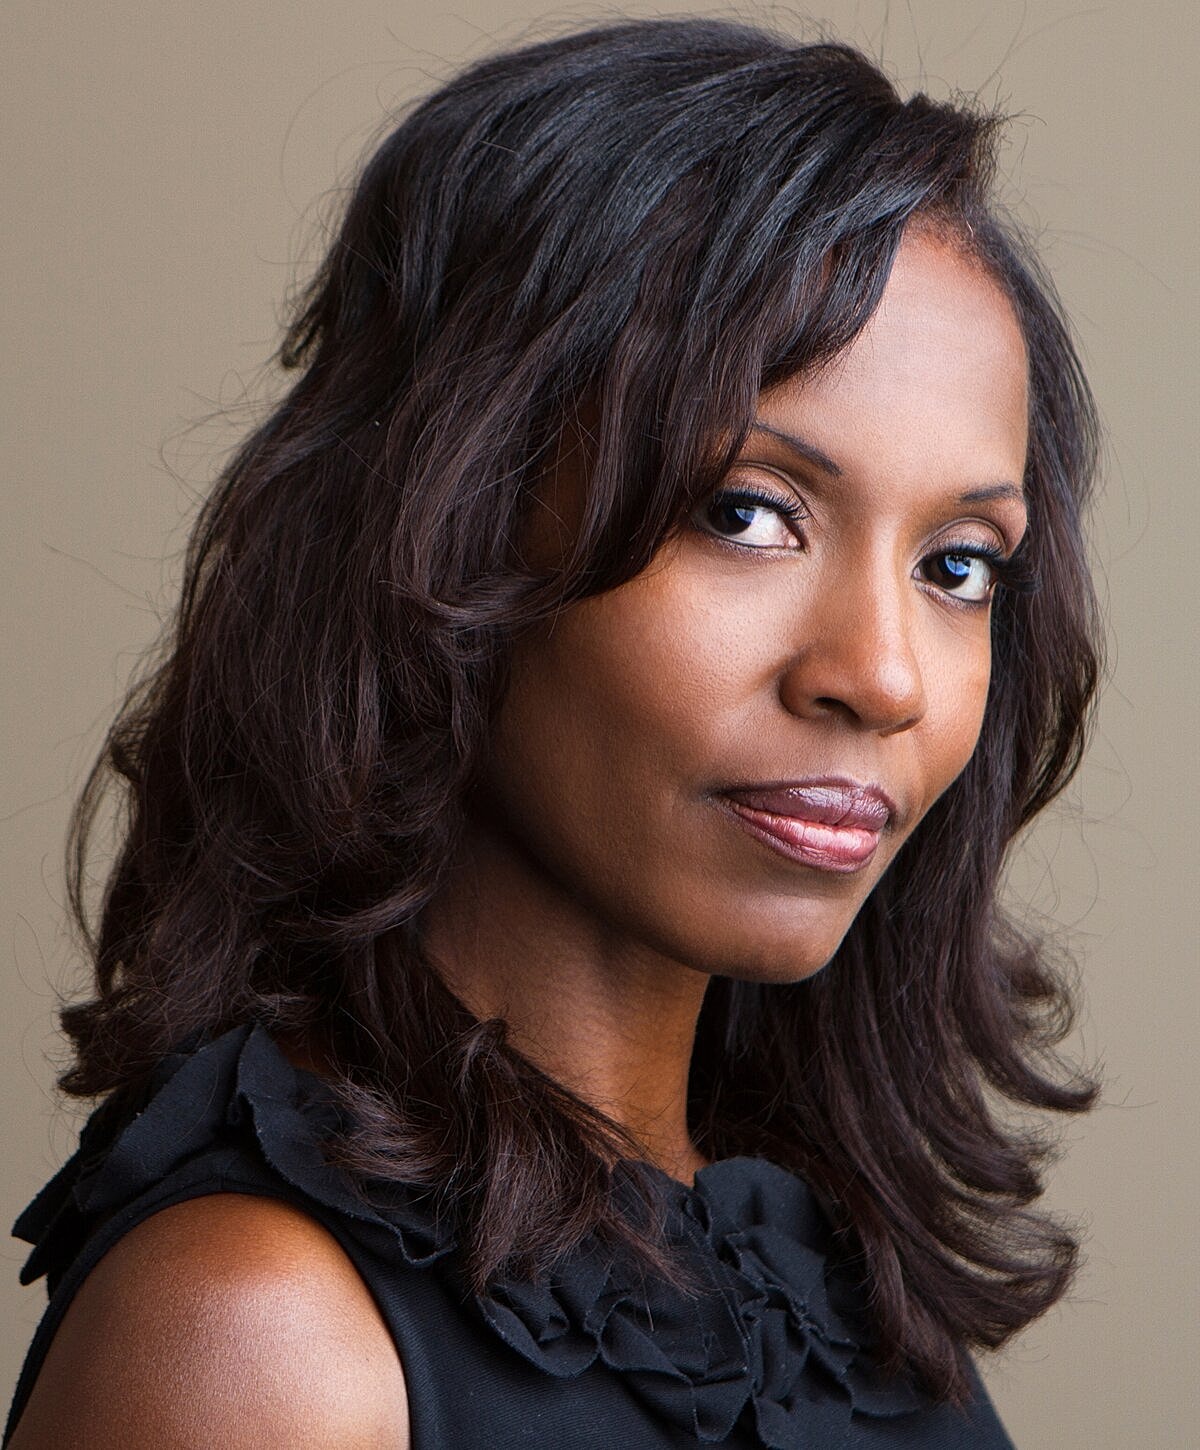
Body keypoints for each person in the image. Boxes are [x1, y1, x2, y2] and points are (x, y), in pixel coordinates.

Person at [4, 17, 1102, 1449]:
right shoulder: (267, 1340)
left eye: (958, 564)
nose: (885, 675)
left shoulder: (834, 1291)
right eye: (746, 512)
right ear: (449, 520)